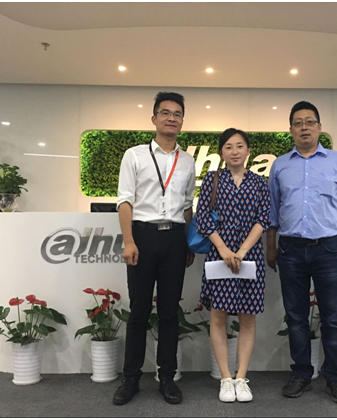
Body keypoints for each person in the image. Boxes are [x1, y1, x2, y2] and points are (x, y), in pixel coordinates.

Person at [267, 101, 337, 405]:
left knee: (332, 317)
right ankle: (302, 373)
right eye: (298, 122)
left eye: (309, 121)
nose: (304, 127)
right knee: (296, 317)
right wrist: (271, 247)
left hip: (329, 248)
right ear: (290, 129)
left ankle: (336, 378)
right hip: (290, 249)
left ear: (319, 127)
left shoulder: (336, 160)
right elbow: (272, 210)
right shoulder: (280, 165)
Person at [113, 92, 196, 406]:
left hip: (175, 238)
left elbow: (187, 206)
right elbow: (125, 201)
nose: (171, 118)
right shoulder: (134, 155)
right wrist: (129, 240)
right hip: (143, 237)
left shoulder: (187, 160)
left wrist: (188, 240)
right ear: (154, 118)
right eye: (165, 112)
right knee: (138, 311)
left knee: (169, 313)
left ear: (182, 121)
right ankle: (131, 379)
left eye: (177, 114)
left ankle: (167, 378)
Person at [196, 128, 271, 403]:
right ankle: (226, 379)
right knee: (218, 316)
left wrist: (241, 251)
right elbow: (203, 219)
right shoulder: (212, 179)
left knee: (247, 317)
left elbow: (264, 219)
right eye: (228, 146)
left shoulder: (260, 183)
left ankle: (241, 378)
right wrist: (224, 249)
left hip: (250, 256)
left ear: (248, 150)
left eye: (240, 146)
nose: (235, 151)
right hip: (219, 255)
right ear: (221, 152)